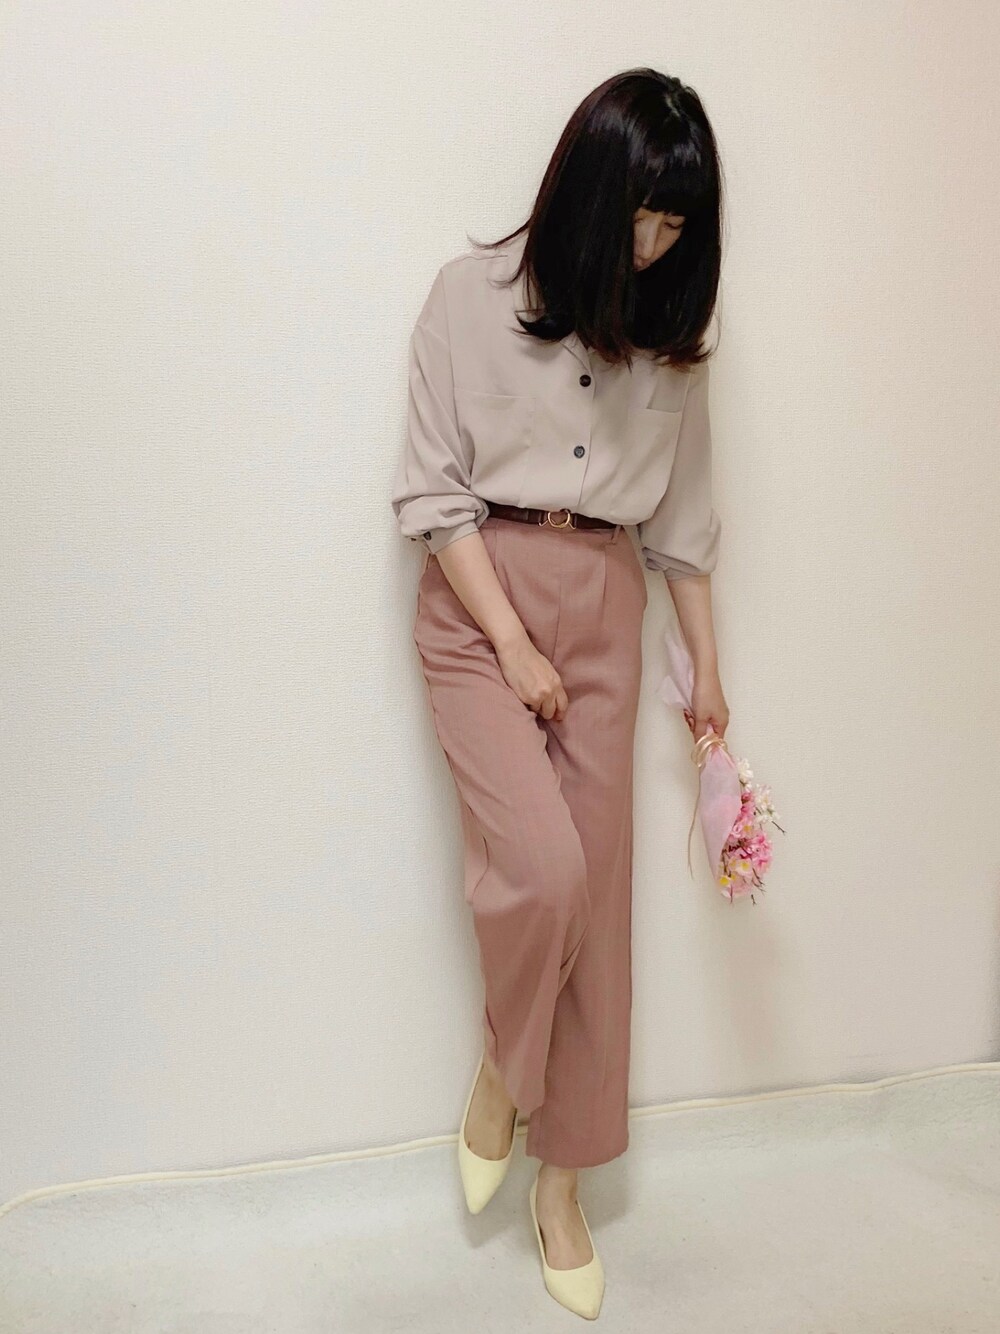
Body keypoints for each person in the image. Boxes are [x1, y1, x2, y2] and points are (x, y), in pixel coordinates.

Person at [390, 67, 730, 1320]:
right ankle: (505, 1067)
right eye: (643, 215)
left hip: (607, 601)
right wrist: (514, 645)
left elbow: (684, 528)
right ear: (588, 186)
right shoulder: (467, 298)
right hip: (478, 596)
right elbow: (429, 492)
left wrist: (710, 677)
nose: (656, 244)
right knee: (543, 873)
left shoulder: (671, 339)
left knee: (603, 910)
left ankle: (563, 1185)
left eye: (677, 224)